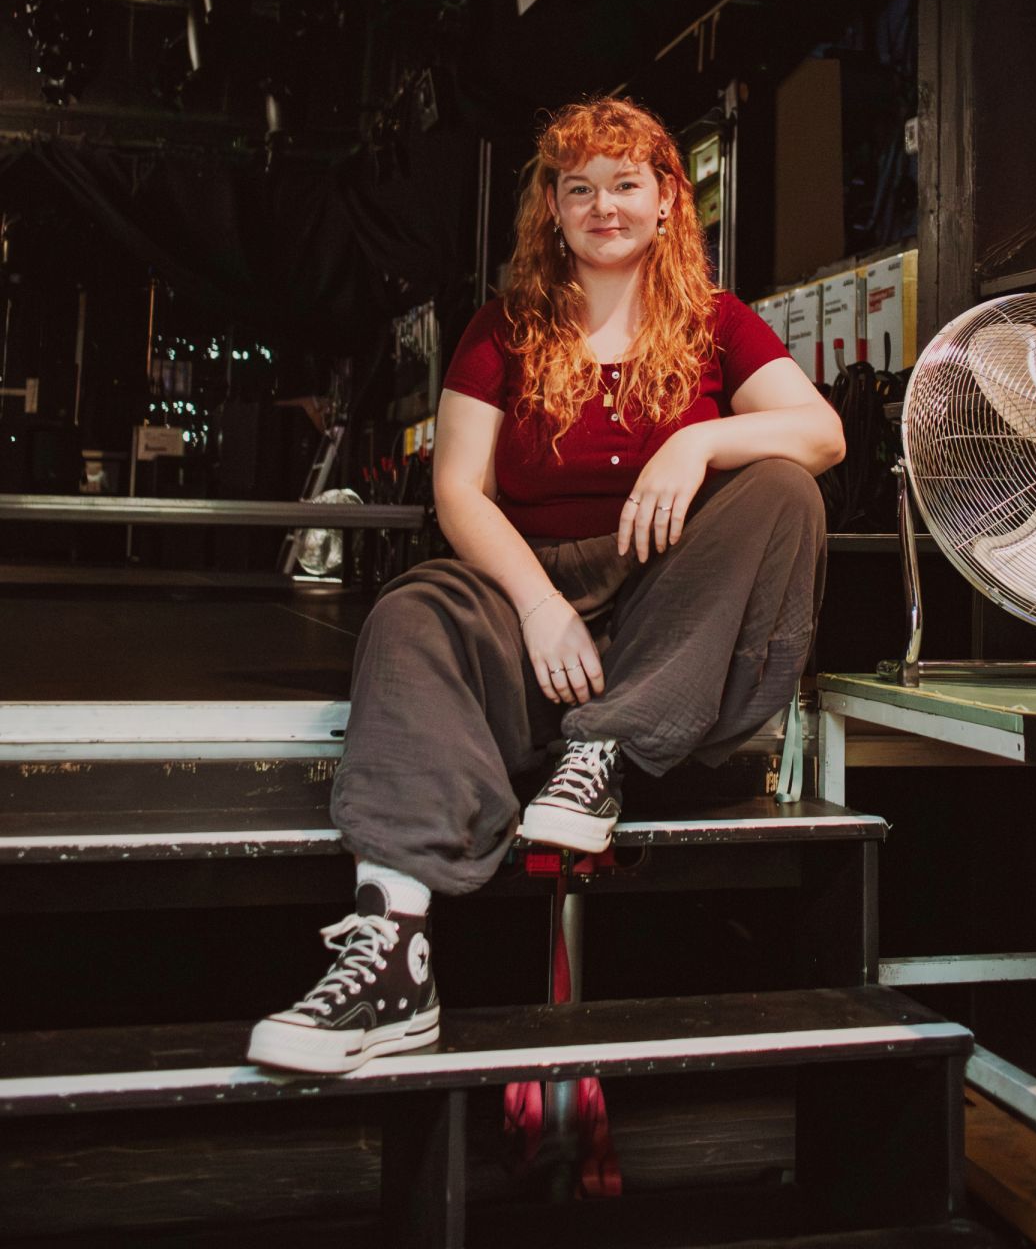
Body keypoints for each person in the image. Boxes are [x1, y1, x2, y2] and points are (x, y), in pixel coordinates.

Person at [248, 96, 844, 1075]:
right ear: (554, 210)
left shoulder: (716, 323)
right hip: (529, 591)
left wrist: (699, 442)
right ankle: (393, 951)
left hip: (664, 606)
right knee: (414, 610)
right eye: (580, 189)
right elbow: (457, 491)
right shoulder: (503, 328)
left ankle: (604, 749)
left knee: (784, 488)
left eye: (625, 185)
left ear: (666, 199)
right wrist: (536, 605)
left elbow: (822, 434)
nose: (604, 206)